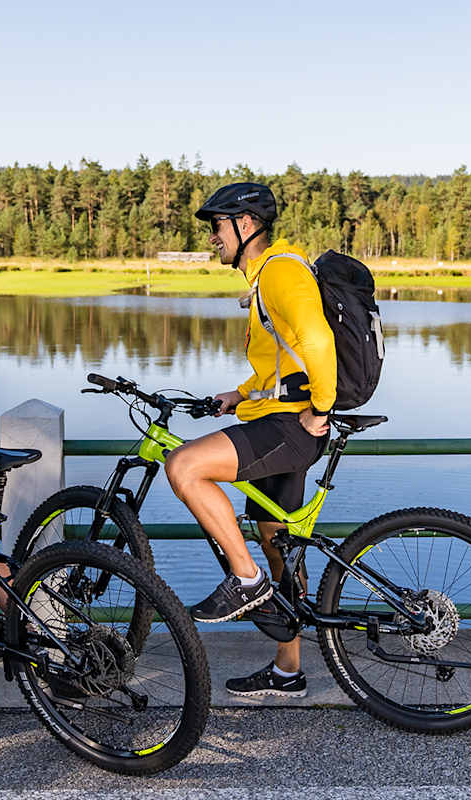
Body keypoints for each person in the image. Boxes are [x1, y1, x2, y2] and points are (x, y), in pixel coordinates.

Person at [164, 183, 336, 699]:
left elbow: (318, 341)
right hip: (277, 416)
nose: (212, 238)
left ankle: (245, 580)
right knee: (277, 543)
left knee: (184, 467)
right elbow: (287, 363)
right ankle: (288, 672)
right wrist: (238, 396)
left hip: (290, 427)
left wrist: (319, 412)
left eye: (216, 226)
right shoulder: (267, 277)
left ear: (244, 225)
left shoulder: (281, 270)